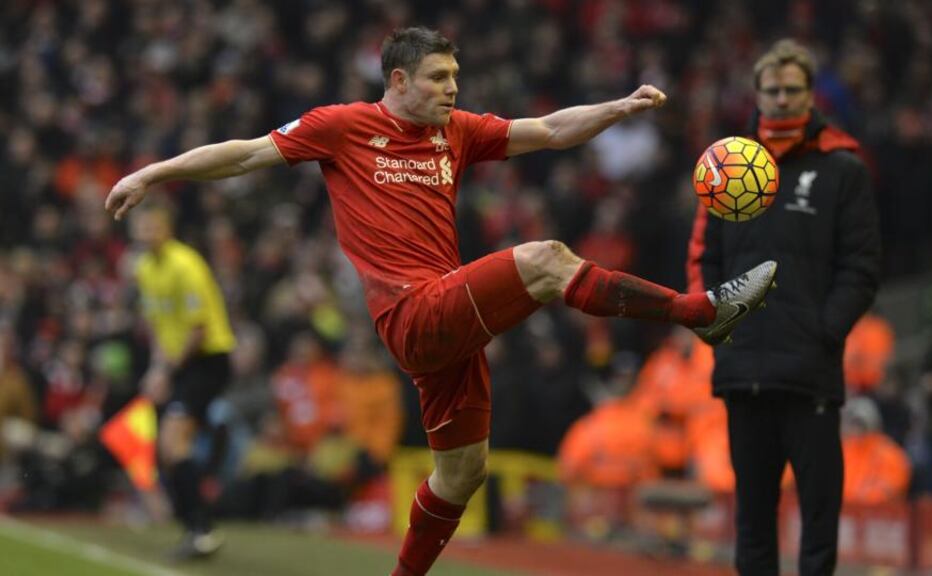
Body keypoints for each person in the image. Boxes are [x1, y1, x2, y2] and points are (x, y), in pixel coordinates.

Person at [107, 27, 776, 576]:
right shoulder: (342, 126)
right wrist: (153, 173)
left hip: (448, 316)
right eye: (438, 78)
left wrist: (617, 109)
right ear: (398, 80)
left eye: (455, 76)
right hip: (411, 313)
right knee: (546, 259)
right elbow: (243, 154)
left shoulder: (456, 131)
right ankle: (700, 314)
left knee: (462, 474)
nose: (453, 88)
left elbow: (547, 130)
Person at [687, 39, 881, 575]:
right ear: (756, 94)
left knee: (819, 516)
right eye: (771, 90)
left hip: (809, 370)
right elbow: (704, 257)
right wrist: (720, 329)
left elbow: (862, 267)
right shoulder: (727, 167)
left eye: (792, 89)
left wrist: (824, 331)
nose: (781, 99)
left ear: (811, 94)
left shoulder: (843, 169)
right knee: (751, 519)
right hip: (743, 367)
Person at [130, 203, 235, 560]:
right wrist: (155, 369)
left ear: (167, 228)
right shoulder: (144, 269)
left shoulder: (186, 264)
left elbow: (198, 329)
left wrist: (166, 372)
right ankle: (196, 527)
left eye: (153, 227)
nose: (146, 234)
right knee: (169, 449)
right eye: (141, 228)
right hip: (178, 363)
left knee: (174, 443)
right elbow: (159, 327)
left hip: (208, 360)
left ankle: (202, 529)